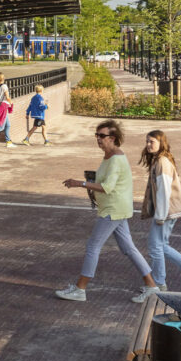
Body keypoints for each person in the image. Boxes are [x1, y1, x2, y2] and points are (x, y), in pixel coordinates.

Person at [56, 120, 158, 302]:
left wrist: (80, 183)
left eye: (102, 136)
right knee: (129, 248)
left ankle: (80, 289)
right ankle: (152, 286)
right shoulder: (109, 156)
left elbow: (108, 187)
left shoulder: (116, 159)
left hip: (113, 209)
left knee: (93, 246)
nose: (98, 139)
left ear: (113, 138)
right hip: (117, 208)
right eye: (97, 135)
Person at [132, 130, 181, 302]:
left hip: (166, 212)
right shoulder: (160, 160)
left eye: (152, 141)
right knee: (161, 246)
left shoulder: (162, 162)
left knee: (154, 247)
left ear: (161, 143)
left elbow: (164, 191)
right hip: (168, 211)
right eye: (147, 141)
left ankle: (158, 285)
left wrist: (160, 216)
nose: (148, 145)